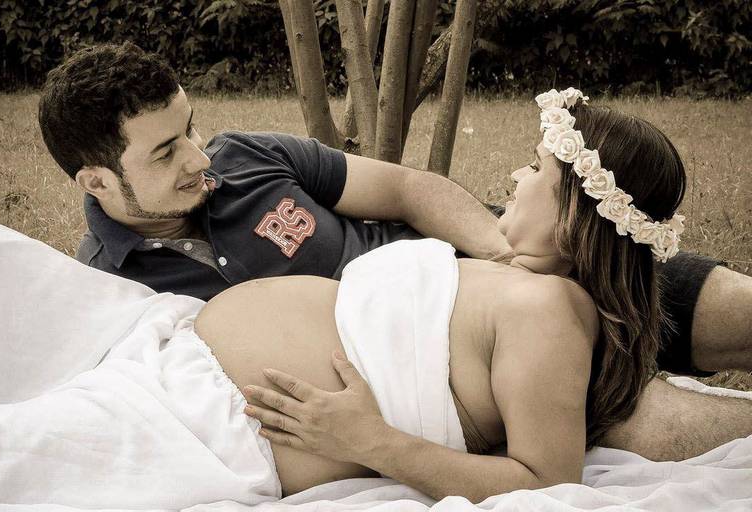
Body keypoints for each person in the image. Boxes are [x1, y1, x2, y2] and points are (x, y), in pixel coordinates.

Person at [38, 44, 751, 457]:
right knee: (672, 423)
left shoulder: (248, 157)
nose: (201, 157)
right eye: (168, 151)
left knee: (733, 312)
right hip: (460, 370)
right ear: (96, 180)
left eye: (192, 128)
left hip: (505, 256)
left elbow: (409, 190)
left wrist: (501, 258)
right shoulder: (112, 292)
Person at [189, 90, 751, 500]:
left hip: (227, 429)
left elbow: (546, 483)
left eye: (536, 167)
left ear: (573, 214)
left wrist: (372, 442)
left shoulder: (550, 310)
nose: (517, 176)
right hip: (200, 387)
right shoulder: (520, 283)